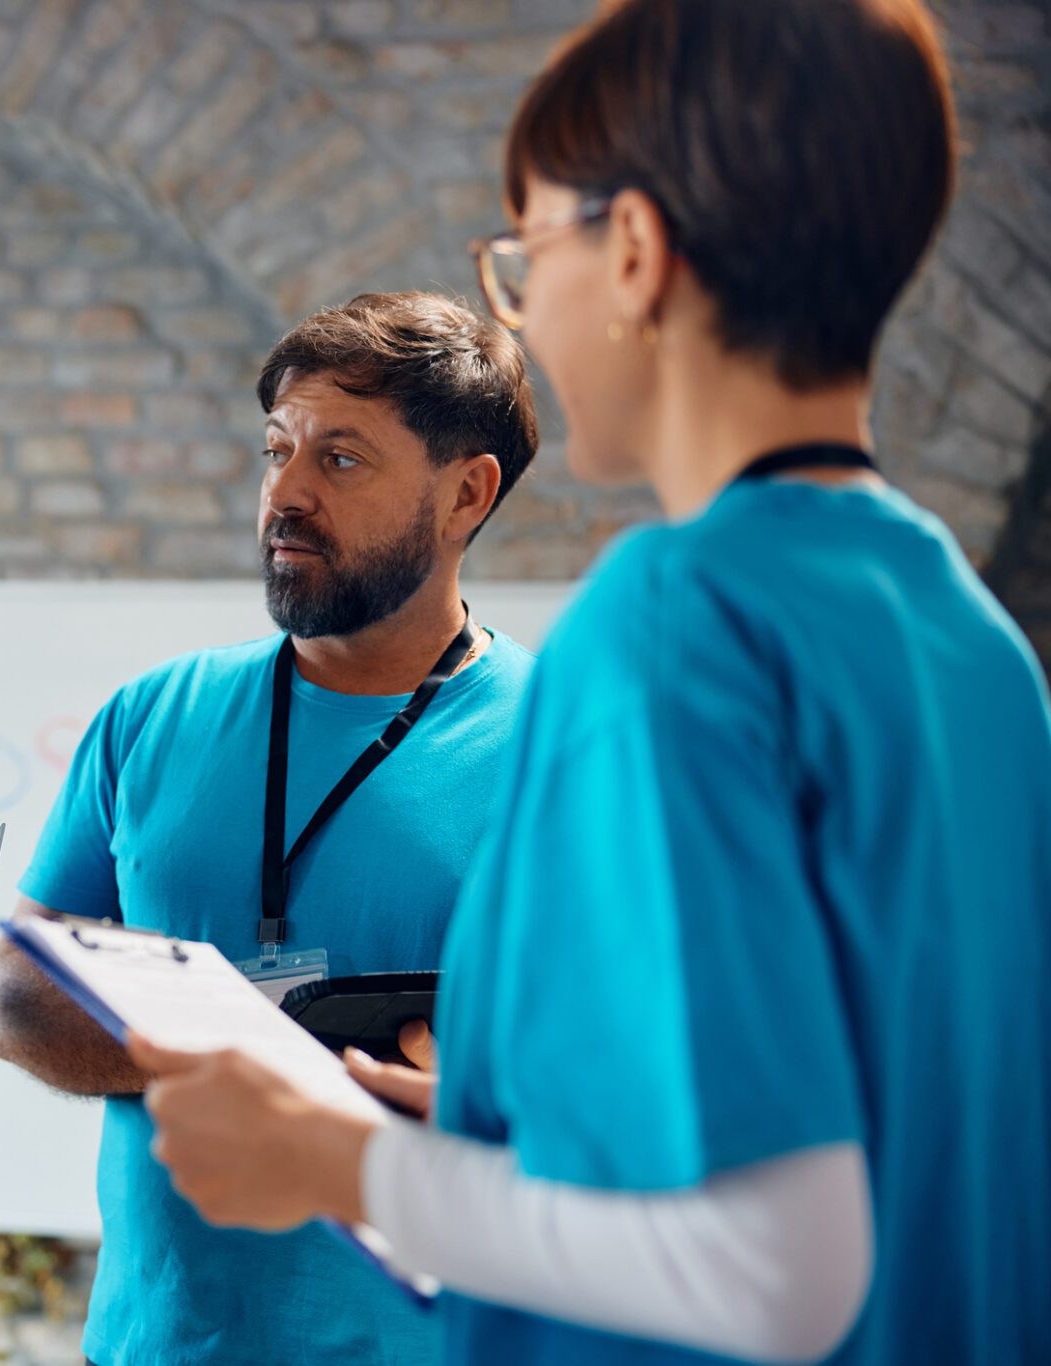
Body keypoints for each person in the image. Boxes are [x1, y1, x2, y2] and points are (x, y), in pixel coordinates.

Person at [133, 1, 1051, 1362]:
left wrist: (341, 1163)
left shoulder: (676, 618)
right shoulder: (977, 651)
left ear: (631, 253)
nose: (525, 305)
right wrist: (522, 1131)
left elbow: (778, 1266)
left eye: (527, 250)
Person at [0, 291, 540, 1365]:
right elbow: (10, 990)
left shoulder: (569, 749)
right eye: (276, 449)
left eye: (339, 460)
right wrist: (239, 1046)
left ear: (465, 494)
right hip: (155, 1345)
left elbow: (638, 1075)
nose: (283, 491)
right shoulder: (152, 714)